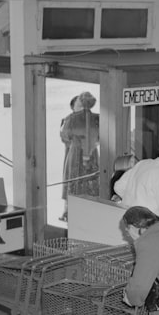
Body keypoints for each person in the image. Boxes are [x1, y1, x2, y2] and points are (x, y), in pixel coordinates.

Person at [113, 139, 159, 219]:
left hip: (129, 218)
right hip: (148, 224)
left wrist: (132, 201)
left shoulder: (142, 163)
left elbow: (118, 186)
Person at [60, 90, 99, 220]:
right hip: (92, 152)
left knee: (74, 179)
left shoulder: (71, 119)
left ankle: (71, 212)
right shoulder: (98, 118)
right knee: (91, 180)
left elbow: (65, 136)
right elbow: (101, 137)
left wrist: (76, 142)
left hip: (76, 152)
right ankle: (91, 211)